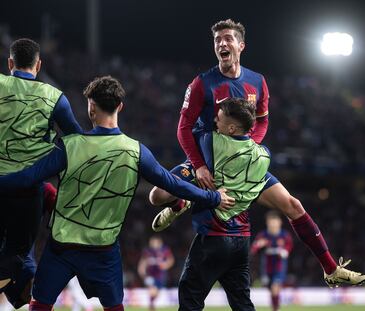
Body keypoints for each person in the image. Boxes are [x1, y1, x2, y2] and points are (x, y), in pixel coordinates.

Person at [149, 19, 365, 288]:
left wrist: (247, 147)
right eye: (217, 40)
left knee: (293, 206)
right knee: (157, 196)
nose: (222, 43)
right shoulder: (201, 84)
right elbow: (183, 128)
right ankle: (178, 204)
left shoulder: (257, 82)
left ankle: (331, 268)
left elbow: (262, 120)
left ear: (241, 45)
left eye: (228, 38)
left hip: (243, 165)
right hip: (206, 163)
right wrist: (199, 166)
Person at [0, 76, 234, 311]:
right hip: (103, 251)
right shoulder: (136, 151)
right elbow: (173, 184)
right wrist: (213, 197)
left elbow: (27, 178)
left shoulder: (70, 146)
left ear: (91, 107)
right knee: (113, 308)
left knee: (39, 306)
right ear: (120, 106)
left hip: (62, 248)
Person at [152, 98, 271, 310]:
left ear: (232, 128)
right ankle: (184, 201)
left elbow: (186, 128)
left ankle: (185, 201)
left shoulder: (211, 143)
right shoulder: (263, 156)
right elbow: (260, 126)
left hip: (214, 238)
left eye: (220, 118)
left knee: (190, 300)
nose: (215, 119)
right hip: (242, 240)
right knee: (243, 304)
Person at [0, 38, 82, 306]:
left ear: (10, 63)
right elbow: (75, 140)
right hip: (27, 193)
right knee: (18, 255)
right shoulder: (54, 97)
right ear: (38, 65)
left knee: (18, 268)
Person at [251, 211, 293, 311]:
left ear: (279, 222)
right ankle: (275, 307)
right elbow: (253, 249)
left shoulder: (284, 235)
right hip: (266, 266)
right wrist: (258, 245)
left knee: (275, 287)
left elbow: (289, 246)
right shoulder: (263, 235)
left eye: (275, 222)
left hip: (279, 265)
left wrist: (284, 252)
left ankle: (275, 309)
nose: (273, 224)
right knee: (271, 289)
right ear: (267, 223)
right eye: (271, 222)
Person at [138, 235, 174, 311]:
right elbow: (143, 261)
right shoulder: (147, 251)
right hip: (150, 274)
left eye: (154, 242)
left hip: (161, 275)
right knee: (152, 289)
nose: (152, 244)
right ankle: (151, 306)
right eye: (151, 242)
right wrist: (141, 270)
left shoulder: (165, 250)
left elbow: (171, 260)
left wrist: (165, 265)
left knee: (157, 292)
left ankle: (152, 304)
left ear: (159, 242)